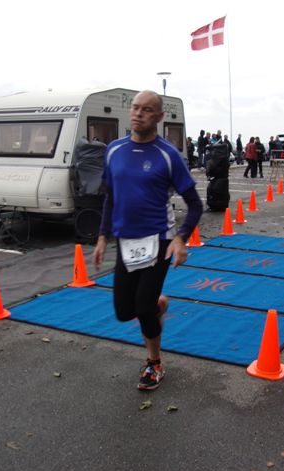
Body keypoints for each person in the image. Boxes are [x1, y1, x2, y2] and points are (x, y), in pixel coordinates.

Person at [93, 90, 203, 391]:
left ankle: (154, 363)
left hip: (159, 240)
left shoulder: (168, 155)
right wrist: (102, 236)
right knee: (123, 312)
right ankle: (157, 304)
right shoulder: (114, 150)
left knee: (142, 309)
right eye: (135, 108)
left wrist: (181, 238)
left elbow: (195, 205)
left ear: (159, 117)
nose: (138, 114)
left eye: (147, 109)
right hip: (126, 241)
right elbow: (110, 197)